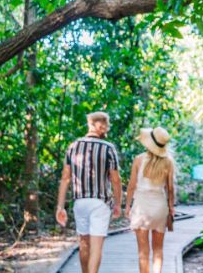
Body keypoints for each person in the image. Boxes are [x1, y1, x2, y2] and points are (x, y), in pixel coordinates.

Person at [56, 111, 123, 273]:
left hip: (80, 201)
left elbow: (65, 178)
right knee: (96, 245)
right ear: (103, 126)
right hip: (100, 202)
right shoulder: (108, 148)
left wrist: (60, 206)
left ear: (90, 124)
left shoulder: (73, 146)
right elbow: (115, 179)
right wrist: (118, 203)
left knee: (84, 243)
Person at [125, 126, 176, 273]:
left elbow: (131, 186)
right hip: (160, 207)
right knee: (158, 250)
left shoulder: (139, 159)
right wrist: (171, 207)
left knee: (143, 252)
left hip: (142, 207)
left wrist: (127, 206)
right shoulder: (168, 162)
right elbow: (170, 188)